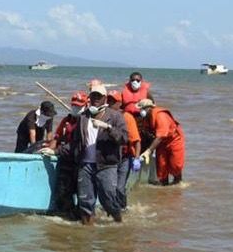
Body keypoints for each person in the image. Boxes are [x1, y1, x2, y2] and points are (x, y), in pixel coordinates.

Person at [64, 82, 129, 225]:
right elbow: (75, 143)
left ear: (105, 98)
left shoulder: (115, 116)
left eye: (98, 96)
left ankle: (119, 223)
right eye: (93, 96)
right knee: (85, 201)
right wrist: (55, 150)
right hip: (85, 165)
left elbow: (124, 138)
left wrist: (108, 128)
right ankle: (87, 231)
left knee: (108, 199)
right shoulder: (83, 117)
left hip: (106, 164)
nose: (95, 99)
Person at [41, 91, 87, 219]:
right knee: (62, 192)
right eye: (74, 105)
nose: (76, 108)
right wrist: (50, 150)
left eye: (79, 106)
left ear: (85, 106)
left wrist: (56, 151)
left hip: (81, 162)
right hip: (66, 161)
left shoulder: (87, 122)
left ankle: (81, 217)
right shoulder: (66, 120)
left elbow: (78, 145)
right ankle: (66, 216)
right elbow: (57, 136)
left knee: (81, 193)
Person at [136, 99, 185, 186]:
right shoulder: (146, 118)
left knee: (175, 165)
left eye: (142, 109)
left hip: (174, 140)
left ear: (148, 108)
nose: (140, 111)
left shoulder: (160, 116)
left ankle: (177, 183)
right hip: (161, 143)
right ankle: (164, 186)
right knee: (161, 166)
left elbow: (160, 136)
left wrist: (149, 151)